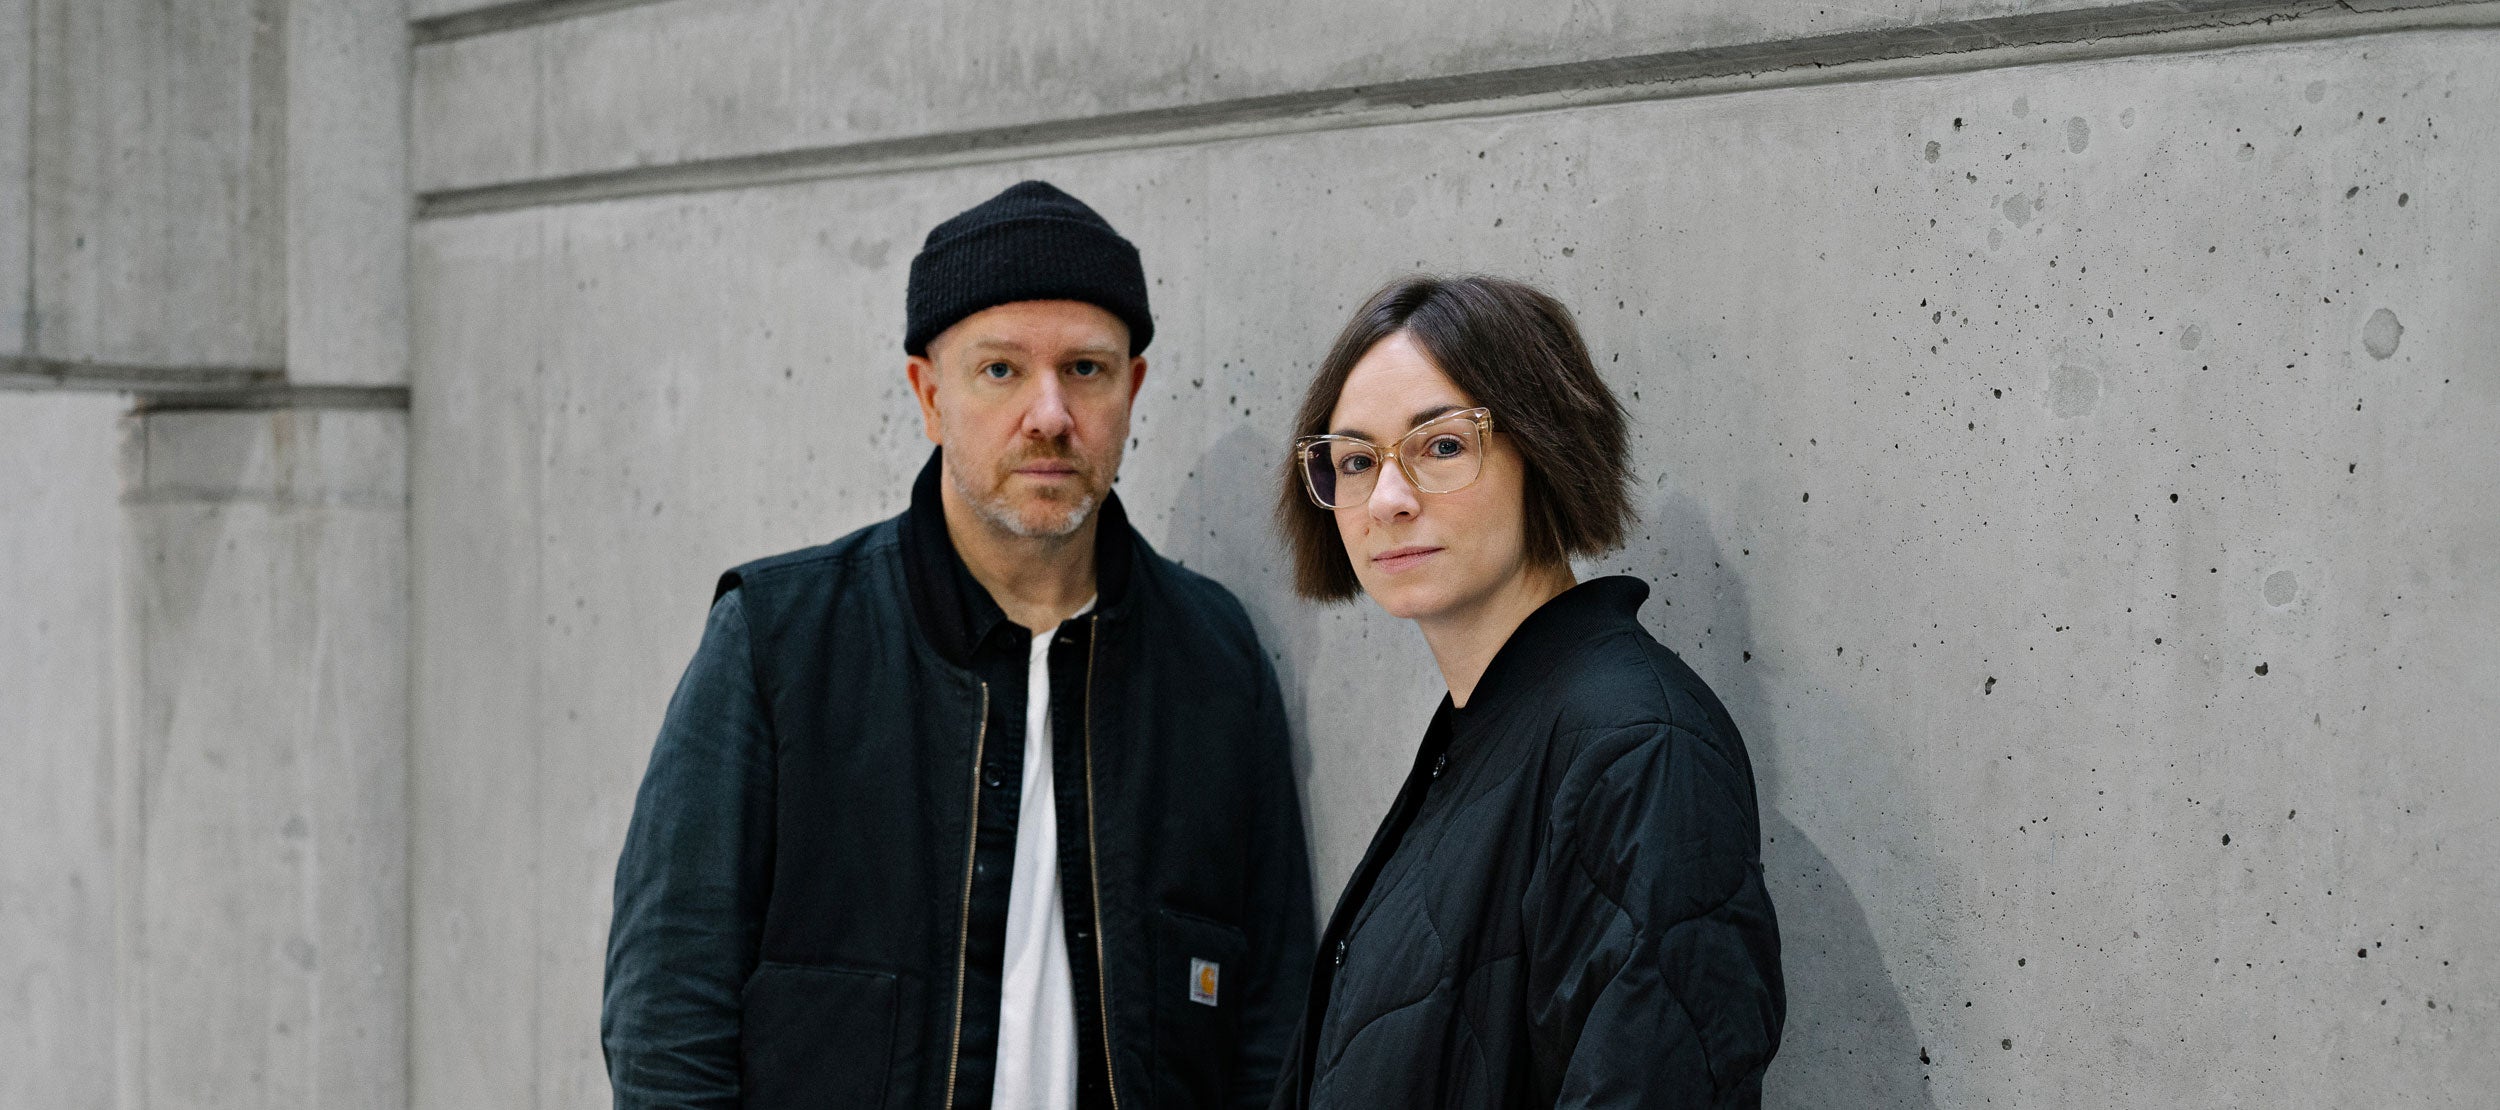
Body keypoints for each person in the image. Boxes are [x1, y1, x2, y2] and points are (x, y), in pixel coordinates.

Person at [602, 180, 1315, 1110]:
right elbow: (668, 1024)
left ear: (1133, 390)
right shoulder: (780, 645)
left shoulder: (1214, 664)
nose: (1051, 414)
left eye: (1087, 370)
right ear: (929, 394)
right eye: (1001, 371)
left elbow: (1275, 1034)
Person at [1266, 275, 1784, 1108]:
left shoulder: (1638, 748)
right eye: (1356, 460)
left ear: (1544, 451)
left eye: (1440, 446)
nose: (1388, 500)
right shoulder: (1487, 731)